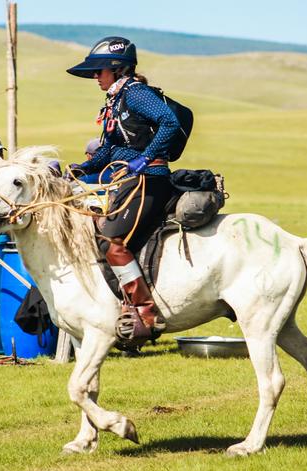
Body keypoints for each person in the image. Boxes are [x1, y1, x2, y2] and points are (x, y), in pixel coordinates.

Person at [66, 36, 181, 346]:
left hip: (149, 179)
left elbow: (169, 122)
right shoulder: (115, 100)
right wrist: (78, 170)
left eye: (99, 71)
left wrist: (145, 157)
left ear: (117, 69)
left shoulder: (136, 93)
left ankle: (146, 313)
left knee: (112, 243)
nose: (95, 77)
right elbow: (109, 150)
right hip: (128, 180)